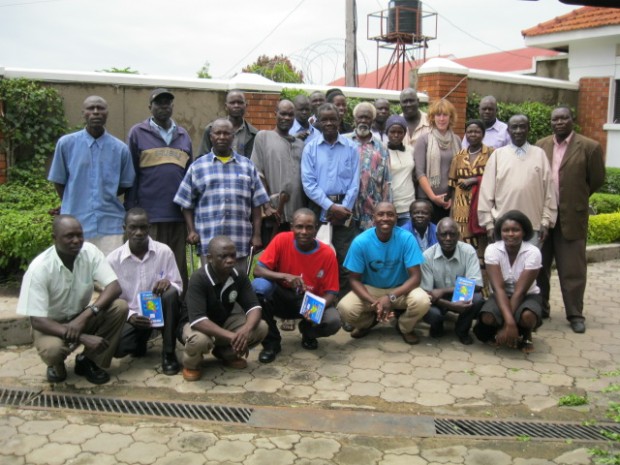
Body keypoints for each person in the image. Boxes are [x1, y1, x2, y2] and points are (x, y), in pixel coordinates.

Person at [16, 215, 128, 384]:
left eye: (79, 235)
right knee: (52, 350)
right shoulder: (39, 269)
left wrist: (86, 316)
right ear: (55, 238)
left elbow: (114, 287)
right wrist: (82, 337)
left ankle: (89, 361)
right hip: (50, 325)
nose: (76, 241)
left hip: (80, 315)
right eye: (69, 236)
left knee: (119, 307)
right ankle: (56, 365)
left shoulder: (90, 252)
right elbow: (37, 320)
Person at [535, 106, 605, 333]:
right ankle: (541, 307)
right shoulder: (541, 145)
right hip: (544, 216)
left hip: (571, 218)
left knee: (572, 269)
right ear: (551, 122)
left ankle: (575, 313)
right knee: (539, 265)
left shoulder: (589, 147)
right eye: (555, 119)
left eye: (564, 118)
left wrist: (574, 198)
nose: (560, 122)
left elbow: (595, 180)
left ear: (572, 120)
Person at [174, 118, 272, 271]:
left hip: (239, 241)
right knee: (209, 286)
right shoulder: (197, 167)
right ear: (211, 136)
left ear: (233, 137)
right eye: (217, 133)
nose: (222, 137)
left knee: (237, 286)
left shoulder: (247, 166)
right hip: (208, 241)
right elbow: (186, 203)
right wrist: (191, 230)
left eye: (226, 133)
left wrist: (257, 234)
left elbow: (256, 204)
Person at [48, 95, 135, 256]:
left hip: (111, 225)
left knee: (110, 274)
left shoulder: (120, 149)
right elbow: (59, 181)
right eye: (91, 108)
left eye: (100, 108)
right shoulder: (66, 144)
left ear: (107, 113)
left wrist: (105, 193)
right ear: (83, 113)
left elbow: (125, 184)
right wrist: (71, 201)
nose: (96, 112)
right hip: (75, 225)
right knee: (78, 276)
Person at [125, 88, 192, 292]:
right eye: (159, 103)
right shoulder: (138, 133)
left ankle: (180, 313)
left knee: (177, 267)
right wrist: (131, 212)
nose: (164, 106)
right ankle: (149, 314)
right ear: (150, 107)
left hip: (177, 215)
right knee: (150, 265)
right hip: (149, 217)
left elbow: (190, 179)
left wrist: (191, 220)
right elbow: (131, 175)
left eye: (167, 103)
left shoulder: (183, 135)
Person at [252, 208, 341, 363]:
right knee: (259, 287)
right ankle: (271, 343)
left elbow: (331, 293)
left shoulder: (327, 254)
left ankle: (308, 332)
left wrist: (316, 308)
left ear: (316, 228)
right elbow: (258, 270)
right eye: (299, 227)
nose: (304, 232)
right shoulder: (281, 240)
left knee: (333, 321)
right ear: (292, 227)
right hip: (280, 296)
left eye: (309, 227)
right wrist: (285, 276)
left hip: (307, 301)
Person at [337, 202, 431, 345]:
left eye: (390, 214)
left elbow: (416, 278)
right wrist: (374, 302)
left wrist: (390, 297)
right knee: (345, 308)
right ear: (373, 217)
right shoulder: (361, 242)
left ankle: (405, 327)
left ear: (396, 218)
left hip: (400, 290)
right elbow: (354, 280)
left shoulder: (406, 238)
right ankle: (368, 323)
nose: (385, 218)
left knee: (422, 301)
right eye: (380, 214)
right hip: (372, 289)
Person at [179, 236, 268, 381]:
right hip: (193, 325)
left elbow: (254, 308)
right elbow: (198, 320)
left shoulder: (238, 275)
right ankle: (191, 364)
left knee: (261, 327)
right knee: (199, 341)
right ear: (210, 258)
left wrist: (244, 331)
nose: (230, 260)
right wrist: (232, 336)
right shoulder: (199, 278)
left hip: (223, 320)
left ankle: (226, 354)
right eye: (223, 256)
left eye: (233, 255)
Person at [107, 208, 183, 375]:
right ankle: (139, 342)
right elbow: (111, 298)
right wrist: (130, 316)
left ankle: (169, 352)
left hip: (161, 313)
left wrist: (168, 283)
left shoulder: (164, 251)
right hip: (134, 316)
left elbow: (178, 285)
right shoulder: (113, 260)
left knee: (170, 293)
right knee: (118, 349)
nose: (139, 233)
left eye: (143, 227)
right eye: (133, 227)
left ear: (149, 228)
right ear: (124, 228)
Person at [301, 102, 360, 296]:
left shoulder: (351, 148)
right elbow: (308, 183)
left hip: (345, 210)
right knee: (316, 257)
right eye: (324, 119)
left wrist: (343, 208)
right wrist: (330, 207)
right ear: (317, 122)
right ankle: (315, 303)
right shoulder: (310, 148)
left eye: (332, 119)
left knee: (345, 259)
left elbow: (355, 182)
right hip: (318, 208)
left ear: (339, 120)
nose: (329, 123)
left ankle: (342, 305)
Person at [478, 114, 557, 248]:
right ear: (508, 131)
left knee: (530, 268)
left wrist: (545, 222)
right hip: (503, 228)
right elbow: (486, 192)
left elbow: (549, 193)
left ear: (528, 129)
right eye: (514, 127)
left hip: (533, 227)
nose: (518, 131)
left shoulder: (540, 155)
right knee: (504, 267)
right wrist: (489, 224)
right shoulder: (498, 155)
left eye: (522, 127)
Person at [473, 211, 543, 353]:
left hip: (526, 295)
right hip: (501, 294)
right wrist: (508, 323)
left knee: (527, 317)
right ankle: (502, 331)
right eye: (506, 230)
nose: (510, 234)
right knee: (487, 317)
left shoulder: (533, 252)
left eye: (515, 230)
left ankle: (526, 335)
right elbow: (498, 289)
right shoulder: (492, 250)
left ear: (524, 232)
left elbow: (520, 291)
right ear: (500, 232)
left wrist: (507, 325)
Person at [420, 218, 484, 345]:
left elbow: (477, 284)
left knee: (477, 299)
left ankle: (462, 330)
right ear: (437, 236)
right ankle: (437, 326)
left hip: (460, 294)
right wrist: (451, 305)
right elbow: (426, 292)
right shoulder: (427, 255)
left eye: (452, 234)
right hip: (437, 299)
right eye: (444, 234)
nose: (448, 238)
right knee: (429, 310)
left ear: (458, 235)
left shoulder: (468, 251)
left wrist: (442, 290)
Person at [251, 99, 305, 244]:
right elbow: (257, 173)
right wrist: (267, 205)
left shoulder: (300, 144)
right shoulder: (263, 137)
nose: (286, 118)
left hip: (297, 213)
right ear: (275, 113)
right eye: (283, 114)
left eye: (290, 115)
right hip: (273, 213)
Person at [449, 119, 494, 289]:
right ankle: (465, 294)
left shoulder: (491, 154)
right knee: (465, 254)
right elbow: (452, 185)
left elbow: (496, 179)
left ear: (483, 133)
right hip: (461, 211)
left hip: (481, 209)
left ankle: (483, 294)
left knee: (482, 253)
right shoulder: (459, 156)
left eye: (477, 131)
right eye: (470, 131)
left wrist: (475, 179)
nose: (473, 134)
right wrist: (452, 213)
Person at [345, 101, 392, 231]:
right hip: (347, 209)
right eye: (360, 117)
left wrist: (385, 209)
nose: (363, 120)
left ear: (373, 120)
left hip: (371, 210)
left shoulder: (381, 147)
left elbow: (386, 181)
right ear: (355, 119)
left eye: (367, 117)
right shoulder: (344, 142)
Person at [414, 98, 461, 223]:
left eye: (445, 115)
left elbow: (459, 171)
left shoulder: (456, 140)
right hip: (427, 200)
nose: (441, 119)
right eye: (438, 115)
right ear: (432, 117)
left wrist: (452, 196)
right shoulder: (424, 140)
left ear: (450, 117)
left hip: (450, 200)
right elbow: (420, 173)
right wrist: (433, 197)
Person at [198, 90, 258, 158]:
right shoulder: (211, 129)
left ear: (246, 105)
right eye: (232, 103)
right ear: (226, 106)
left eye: (240, 102)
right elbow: (202, 157)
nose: (236, 105)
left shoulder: (254, 134)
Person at [385, 115, 416, 226]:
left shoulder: (411, 150)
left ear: (404, 133)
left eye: (400, 132)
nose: (396, 135)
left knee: (407, 238)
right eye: (392, 132)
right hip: (390, 205)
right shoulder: (382, 151)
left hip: (408, 204)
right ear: (387, 132)